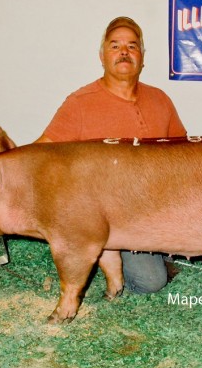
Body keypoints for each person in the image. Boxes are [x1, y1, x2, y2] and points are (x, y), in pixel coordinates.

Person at [35, 16, 187, 294]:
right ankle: (101, 249)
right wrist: (0, 171)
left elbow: (183, 153)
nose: (124, 52)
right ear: (102, 56)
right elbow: (41, 151)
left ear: (142, 57)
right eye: (115, 46)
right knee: (151, 282)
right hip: (104, 216)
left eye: (132, 46)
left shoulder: (160, 99)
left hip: (153, 206)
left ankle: (150, 249)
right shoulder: (79, 103)